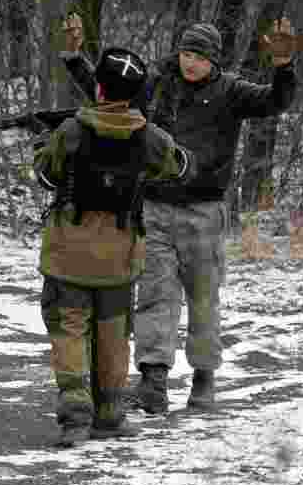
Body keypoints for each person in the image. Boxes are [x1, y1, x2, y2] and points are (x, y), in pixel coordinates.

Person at [61, 13, 303, 415]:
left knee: (203, 299)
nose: (190, 62)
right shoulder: (157, 85)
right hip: (154, 207)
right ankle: (153, 381)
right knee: (155, 295)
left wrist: (283, 67)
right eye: (186, 53)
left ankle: (204, 379)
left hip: (204, 212)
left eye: (200, 56)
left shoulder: (232, 92)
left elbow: (275, 102)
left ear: (214, 61)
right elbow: (108, 94)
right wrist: (75, 57)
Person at [34, 46, 195, 446]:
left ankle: (74, 416)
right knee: (114, 336)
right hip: (120, 256)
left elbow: (48, 174)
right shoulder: (150, 138)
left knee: (68, 331)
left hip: (68, 253)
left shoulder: (70, 131)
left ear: (99, 89)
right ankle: (110, 415)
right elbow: (179, 167)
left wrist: (41, 145)